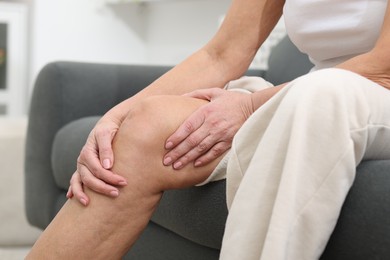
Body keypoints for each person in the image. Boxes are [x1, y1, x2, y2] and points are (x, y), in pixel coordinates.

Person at [27, 0, 390, 259]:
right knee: (148, 124)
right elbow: (223, 53)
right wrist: (116, 118)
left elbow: (381, 65)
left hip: (368, 88)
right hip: (306, 92)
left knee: (317, 96)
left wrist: (249, 106)